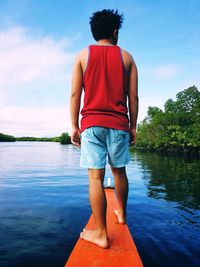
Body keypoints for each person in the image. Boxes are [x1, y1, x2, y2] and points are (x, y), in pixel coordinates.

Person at [70, 9, 138, 249]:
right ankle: (122, 214)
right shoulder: (128, 58)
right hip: (119, 124)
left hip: (91, 124)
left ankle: (101, 233)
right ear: (115, 31)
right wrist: (133, 127)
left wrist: (74, 126)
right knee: (119, 172)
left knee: (95, 178)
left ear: (94, 31)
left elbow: (75, 94)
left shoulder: (81, 56)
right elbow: (133, 97)